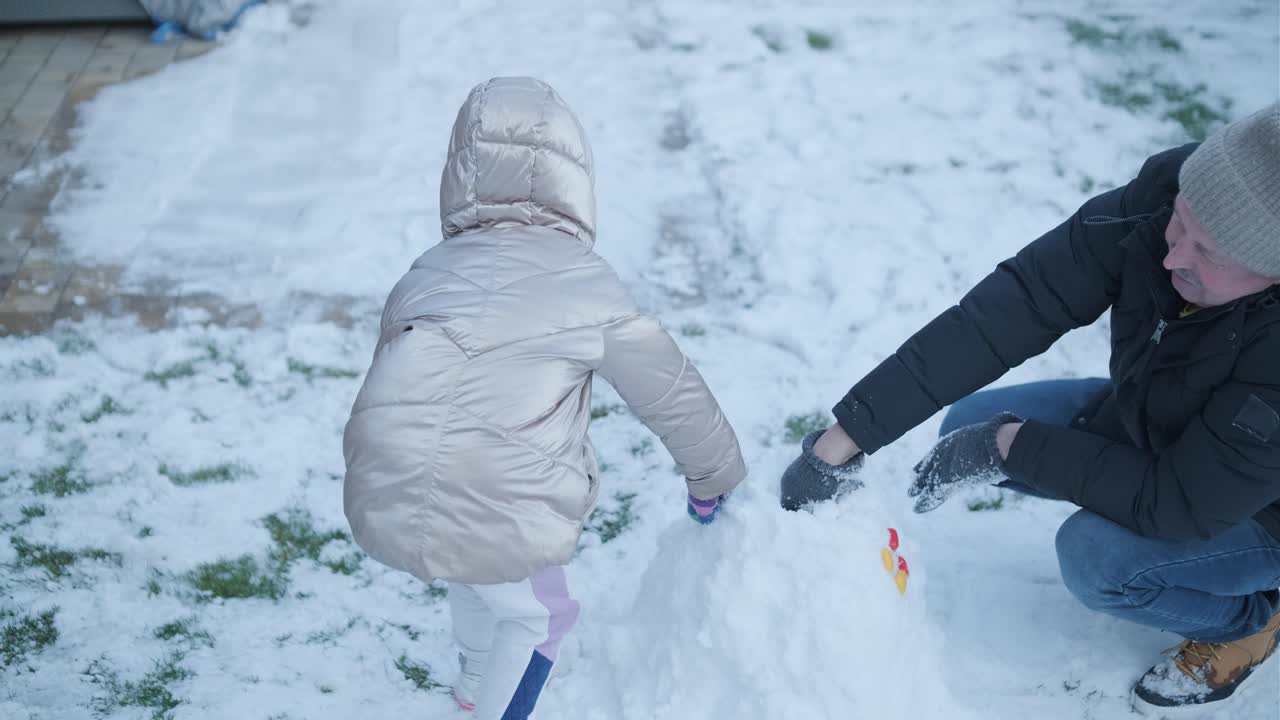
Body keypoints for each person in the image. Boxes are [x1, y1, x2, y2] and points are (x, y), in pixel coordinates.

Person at [781, 101, 1280, 711]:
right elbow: (1018, 304)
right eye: (1181, 224)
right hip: (1158, 419)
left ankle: (1252, 617)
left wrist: (1010, 447)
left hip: (1254, 508)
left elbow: (1180, 503)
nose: (1174, 255)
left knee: (1097, 559)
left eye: (1209, 254)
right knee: (966, 420)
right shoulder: (1162, 195)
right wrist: (845, 437)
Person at [342, 77, 747, 720]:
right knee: (541, 616)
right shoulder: (586, 285)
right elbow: (671, 392)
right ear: (573, 177)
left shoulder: (426, 272)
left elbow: (391, 369)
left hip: (391, 474)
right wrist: (713, 477)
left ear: (462, 174)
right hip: (501, 486)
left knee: (474, 564)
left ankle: (475, 681)